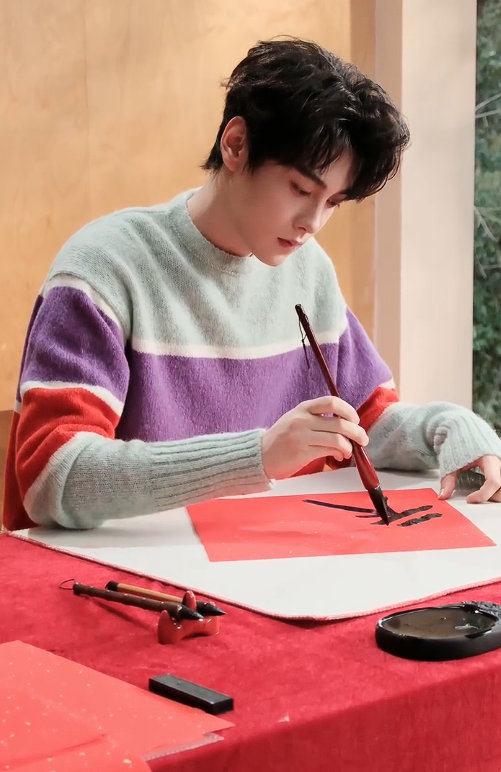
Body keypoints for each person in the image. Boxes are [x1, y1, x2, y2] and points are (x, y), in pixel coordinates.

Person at [3, 38, 501, 531]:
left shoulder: (308, 270)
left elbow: (367, 422)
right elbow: (53, 476)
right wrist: (257, 456)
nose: (313, 222)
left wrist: (449, 428)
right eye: (301, 189)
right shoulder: (105, 268)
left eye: (333, 202)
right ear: (236, 145)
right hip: (121, 574)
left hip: (269, 563)